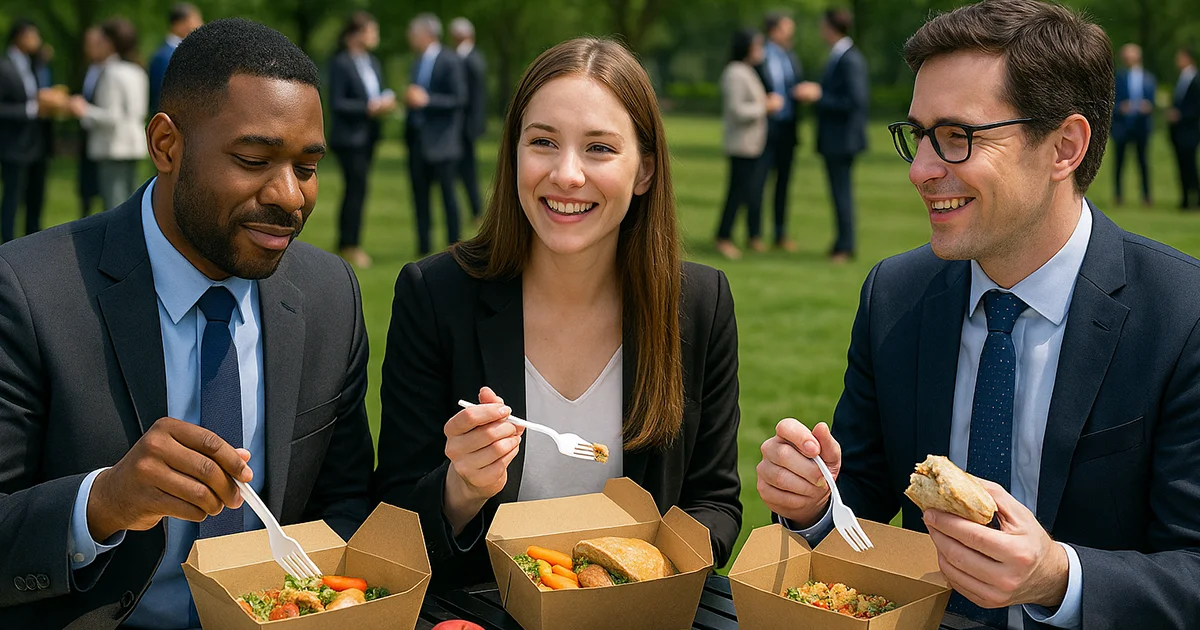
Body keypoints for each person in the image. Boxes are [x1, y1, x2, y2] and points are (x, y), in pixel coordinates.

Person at [757, 1, 1200, 628]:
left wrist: (1057, 579)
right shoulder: (896, 295)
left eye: (958, 137)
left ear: (1064, 147)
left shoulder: (1181, 317)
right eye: (918, 134)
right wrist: (812, 503)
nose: (920, 170)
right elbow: (861, 497)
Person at [0, 18, 375, 629]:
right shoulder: (29, 290)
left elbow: (347, 501)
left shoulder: (330, 295)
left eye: (307, 168)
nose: (290, 195)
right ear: (167, 145)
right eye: (254, 160)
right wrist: (103, 503)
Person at [374, 37, 742, 592]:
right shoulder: (435, 295)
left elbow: (715, 502)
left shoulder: (699, 304)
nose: (567, 175)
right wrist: (461, 488)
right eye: (543, 142)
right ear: (514, 153)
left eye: (600, 149)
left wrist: (647, 567)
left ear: (644, 171)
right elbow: (393, 523)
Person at [796, 8, 868, 263]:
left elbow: (855, 100)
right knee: (838, 193)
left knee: (842, 194)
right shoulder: (839, 56)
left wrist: (819, 96)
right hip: (836, 139)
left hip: (843, 140)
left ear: (830, 27)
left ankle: (846, 247)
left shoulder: (849, 58)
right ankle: (840, 242)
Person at [328, 11, 396, 270]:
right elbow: (338, 102)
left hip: (369, 137)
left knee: (360, 189)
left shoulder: (372, 63)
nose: (375, 36)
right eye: (371, 31)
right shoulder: (341, 63)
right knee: (355, 189)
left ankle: (349, 242)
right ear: (355, 35)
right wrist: (368, 108)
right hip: (349, 138)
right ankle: (349, 244)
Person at [67, 18, 149, 212]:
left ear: (110, 43)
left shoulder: (111, 72)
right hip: (134, 144)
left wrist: (83, 110)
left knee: (115, 208)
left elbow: (111, 117)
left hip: (113, 146)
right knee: (131, 207)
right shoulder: (137, 69)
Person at [716, 28, 781, 260]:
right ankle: (723, 236)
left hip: (753, 145)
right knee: (737, 193)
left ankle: (749, 236)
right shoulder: (735, 72)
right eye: (757, 46)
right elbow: (737, 110)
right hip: (741, 145)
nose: (761, 51)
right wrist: (766, 106)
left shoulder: (748, 70)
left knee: (751, 191)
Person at [405, 13, 467, 256]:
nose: (410, 39)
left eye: (413, 34)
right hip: (418, 141)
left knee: (449, 196)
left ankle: (455, 246)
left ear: (426, 34)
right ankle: (423, 247)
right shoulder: (417, 62)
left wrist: (426, 100)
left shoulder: (449, 60)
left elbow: (459, 98)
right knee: (420, 197)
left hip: (443, 142)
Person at [0, 19, 62, 244]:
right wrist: (31, 109)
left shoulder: (35, 65)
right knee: (13, 198)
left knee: (36, 197)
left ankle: (33, 243)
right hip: (14, 144)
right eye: (33, 36)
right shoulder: (4, 66)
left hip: (38, 142)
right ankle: (7, 244)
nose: (38, 42)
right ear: (20, 36)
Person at [756, 12, 803, 252]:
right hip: (764, 129)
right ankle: (754, 234)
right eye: (787, 28)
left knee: (783, 183)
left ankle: (779, 233)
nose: (791, 33)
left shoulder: (790, 57)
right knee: (759, 181)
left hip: (787, 130)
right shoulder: (760, 55)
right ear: (774, 30)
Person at [451, 17, 487, 224]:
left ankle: (475, 210)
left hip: (465, 126)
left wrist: (473, 126)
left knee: (468, 169)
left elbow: (475, 97)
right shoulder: (466, 57)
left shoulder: (471, 59)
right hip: (462, 126)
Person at [1111, 43, 1155, 207]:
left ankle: (1146, 195)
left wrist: (1148, 106)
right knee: (1120, 163)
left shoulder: (1148, 78)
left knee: (1143, 161)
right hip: (1123, 127)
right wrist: (1121, 107)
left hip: (1141, 126)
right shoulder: (1118, 78)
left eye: (1131, 55)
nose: (1128, 58)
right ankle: (1118, 195)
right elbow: (1111, 103)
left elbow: (1152, 101)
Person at [148, 3, 202, 114]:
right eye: (195, 20)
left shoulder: (183, 52)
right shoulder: (165, 56)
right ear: (179, 24)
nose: (200, 25)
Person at [78, 26, 106, 217]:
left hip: (104, 137)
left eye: (93, 44)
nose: (89, 48)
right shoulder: (89, 68)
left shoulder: (109, 70)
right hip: (87, 134)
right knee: (85, 184)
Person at [1168, 46, 1199, 210]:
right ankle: (1186, 198)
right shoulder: (1182, 78)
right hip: (1180, 131)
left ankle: (1195, 197)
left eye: (1180, 58)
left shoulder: (1195, 79)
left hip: (1190, 130)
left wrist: (1180, 115)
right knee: (1182, 165)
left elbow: (1196, 106)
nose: (1177, 61)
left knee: (1190, 165)